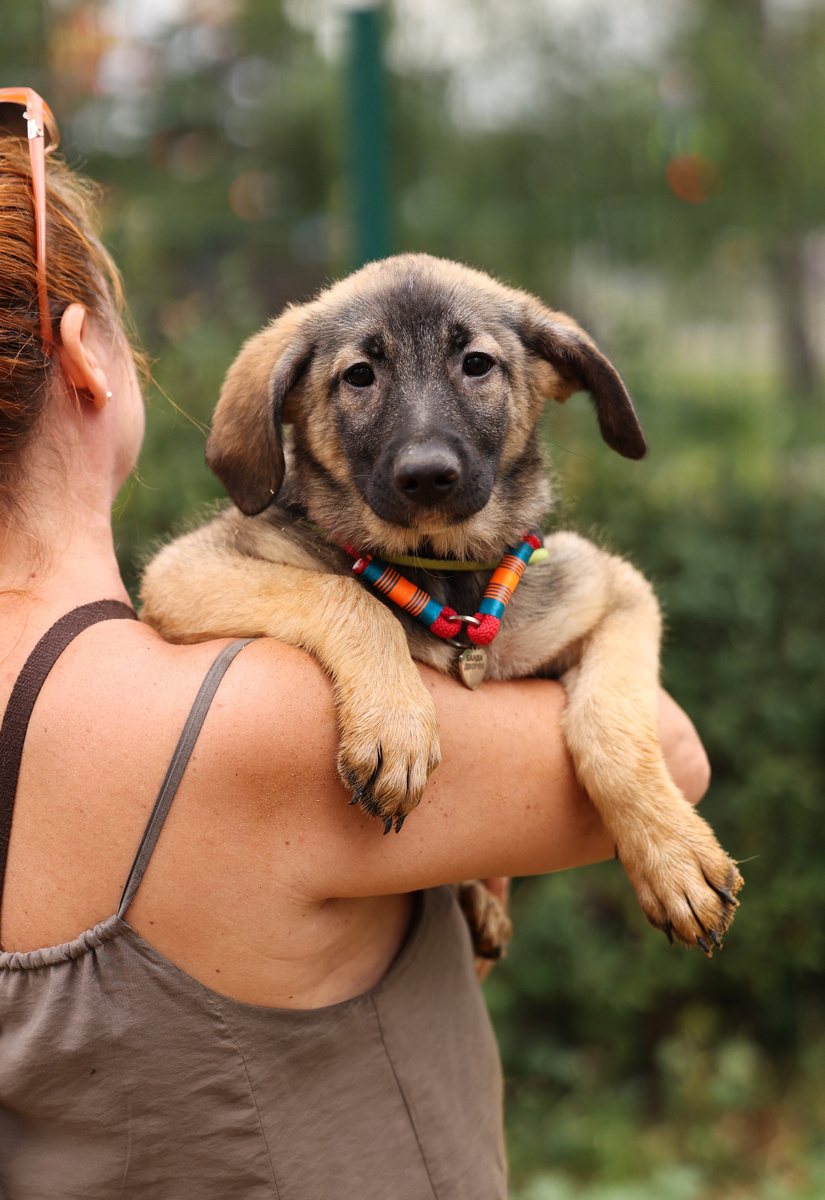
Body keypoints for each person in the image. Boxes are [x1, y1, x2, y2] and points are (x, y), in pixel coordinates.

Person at [0, 90, 710, 1199]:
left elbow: (607, 600)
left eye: (476, 366)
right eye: (363, 379)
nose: (424, 445)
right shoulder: (256, 723)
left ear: (552, 377)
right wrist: (362, 642)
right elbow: (674, 756)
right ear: (88, 359)